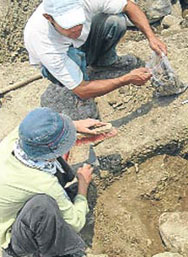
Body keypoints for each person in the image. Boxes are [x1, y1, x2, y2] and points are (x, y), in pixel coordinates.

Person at [0, 107, 116, 256]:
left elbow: (41, 131)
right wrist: (83, 185)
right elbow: (76, 223)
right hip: (12, 239)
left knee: (54, 172)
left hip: (11, 207)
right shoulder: (43, 182)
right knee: (43, 206)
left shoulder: (17, 138)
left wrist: (75, 125)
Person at [24, 0, 168, 100]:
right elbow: (82, 90)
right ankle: (79, 83)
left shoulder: (84, 1)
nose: (77, 29)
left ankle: (103, 62)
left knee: (115, 21)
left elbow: (128, 5)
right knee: (76, 65)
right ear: (49, 18)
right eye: (68, 26)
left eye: (78, 21)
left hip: (82, 45)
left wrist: (151, 37)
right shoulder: (42, 40)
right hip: (64, 56)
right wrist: (126, 79)